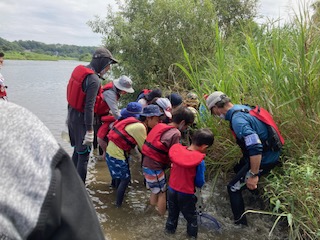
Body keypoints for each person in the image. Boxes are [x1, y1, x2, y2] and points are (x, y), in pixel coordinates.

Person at [0, 101, 105, 239]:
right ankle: (82, 184)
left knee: (78, 155)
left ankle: (81, 182)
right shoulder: (18, 123)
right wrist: (90, 130)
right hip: (85, 124)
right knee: (83, 158)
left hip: (75, 120)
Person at [206, 91, 282, 225]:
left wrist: (253, 174)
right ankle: (255, 199)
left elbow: (255, 147)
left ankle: (240, 225)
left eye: (213, 112)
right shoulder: (243, 108)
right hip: (270, 150)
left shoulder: (238, 120)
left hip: (266, 157)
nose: (216, 115)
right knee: (237, 169)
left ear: (216, 107)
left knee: (233, 188)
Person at [66, 47, 118, 183]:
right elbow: (89, 107)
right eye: (108, 65)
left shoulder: (80, 70)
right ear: (101, 62)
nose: (109, 69)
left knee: (77, 151)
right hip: (82, 121)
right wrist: (90, 131)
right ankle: (80, 190)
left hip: (71, 116)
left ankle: (70, 182)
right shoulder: (94, 80)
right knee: (84, 157)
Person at [106, 104, 163, 207]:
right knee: (125, 179)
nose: (157, 122)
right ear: (149, 118)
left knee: (118, 178)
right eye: (156, 119)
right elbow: (145, 149)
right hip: (117, 154)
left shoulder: (136, 122)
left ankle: (114, 197)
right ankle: (117, 206)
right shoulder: (140, 127)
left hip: (111, 151)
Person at [142, 106, 195, 215]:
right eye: (187, 126)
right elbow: (175, 153)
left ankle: (151, 212)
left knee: (155, 190)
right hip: (155, 167)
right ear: (182, 122)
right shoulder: (176, 133)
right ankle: (161, 217)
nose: (186, 128)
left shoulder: (161, 126)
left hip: (146, 164)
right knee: (162, 192)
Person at [165, 128, 214, 238]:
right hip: (185, 194)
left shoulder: (177, 152)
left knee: (172, 216)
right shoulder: (199, 161)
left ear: (192, 138)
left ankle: (168, 234)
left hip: (172, 190)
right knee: (191, 219)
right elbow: (199, 182)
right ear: (205, 147)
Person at [93, 75, 135, 157]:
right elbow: (116, 113)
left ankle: (97, 155)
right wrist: (123, 123)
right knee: (99, 136)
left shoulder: (113, 88)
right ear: (122, 89)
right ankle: (101, 156)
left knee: (98, 135)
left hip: (102, 113)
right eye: (125, 91)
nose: (125, 93)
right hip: (96, 115)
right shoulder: (110, 93)